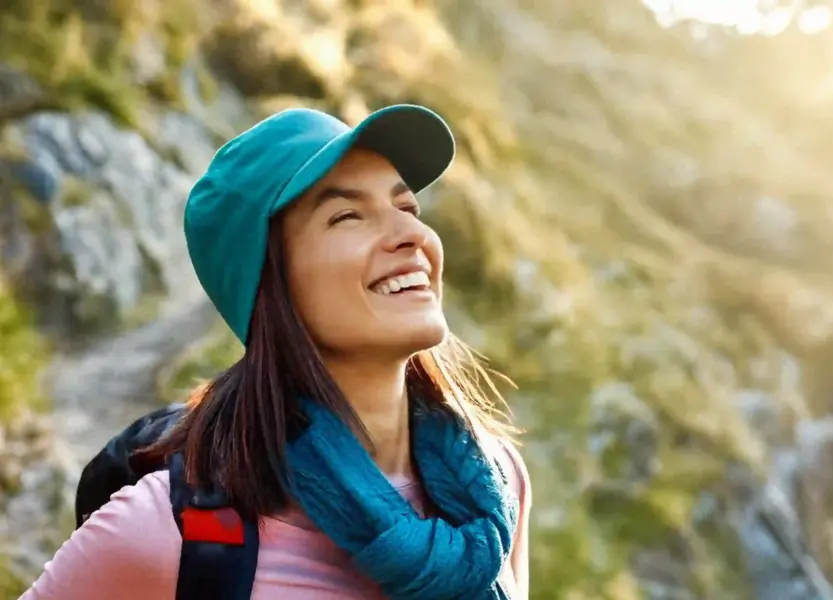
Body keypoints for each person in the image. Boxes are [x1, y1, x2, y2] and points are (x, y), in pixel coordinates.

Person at [20, 104, 531, 599]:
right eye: (349, 216)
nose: (412, 234)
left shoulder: (492, 486)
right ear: (268, 285)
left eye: (406, 207)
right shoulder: (167, 534)